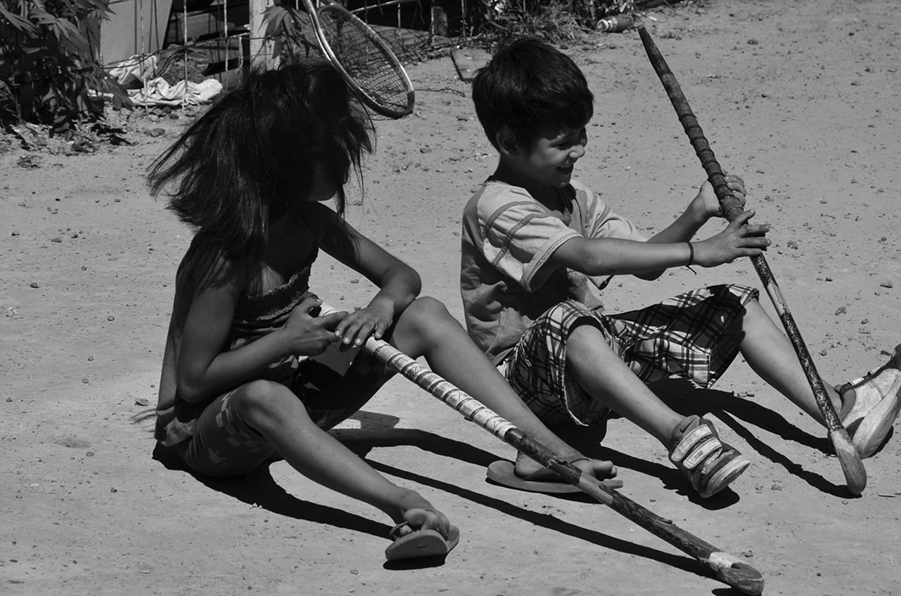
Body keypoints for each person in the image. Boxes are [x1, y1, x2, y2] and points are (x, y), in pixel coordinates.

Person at [148, 62, 617, 562]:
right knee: (265, 397)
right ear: (288, 164)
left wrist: (380, 307)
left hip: (289, 400)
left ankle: (542, 449)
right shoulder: (227, 253)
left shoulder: (308, 221)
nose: (346, 165)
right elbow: (194, 382)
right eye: (334, 152)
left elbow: (402, 277)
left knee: (424, 315)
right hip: (210, 433)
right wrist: (285, 341)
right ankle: (404, 505)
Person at [460, 37, 901, 499]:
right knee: (570, 321)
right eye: (563, 143)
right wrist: (699, 252)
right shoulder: (496, 206)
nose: (580, 150)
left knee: (734, 305)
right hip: (520, 385)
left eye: (582, 135)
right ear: (509, 143)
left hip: (588, 362)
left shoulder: (574, 196)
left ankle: (839, 411)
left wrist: (696, 213)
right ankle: (683, 439)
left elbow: (644, 261)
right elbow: (587, 256)